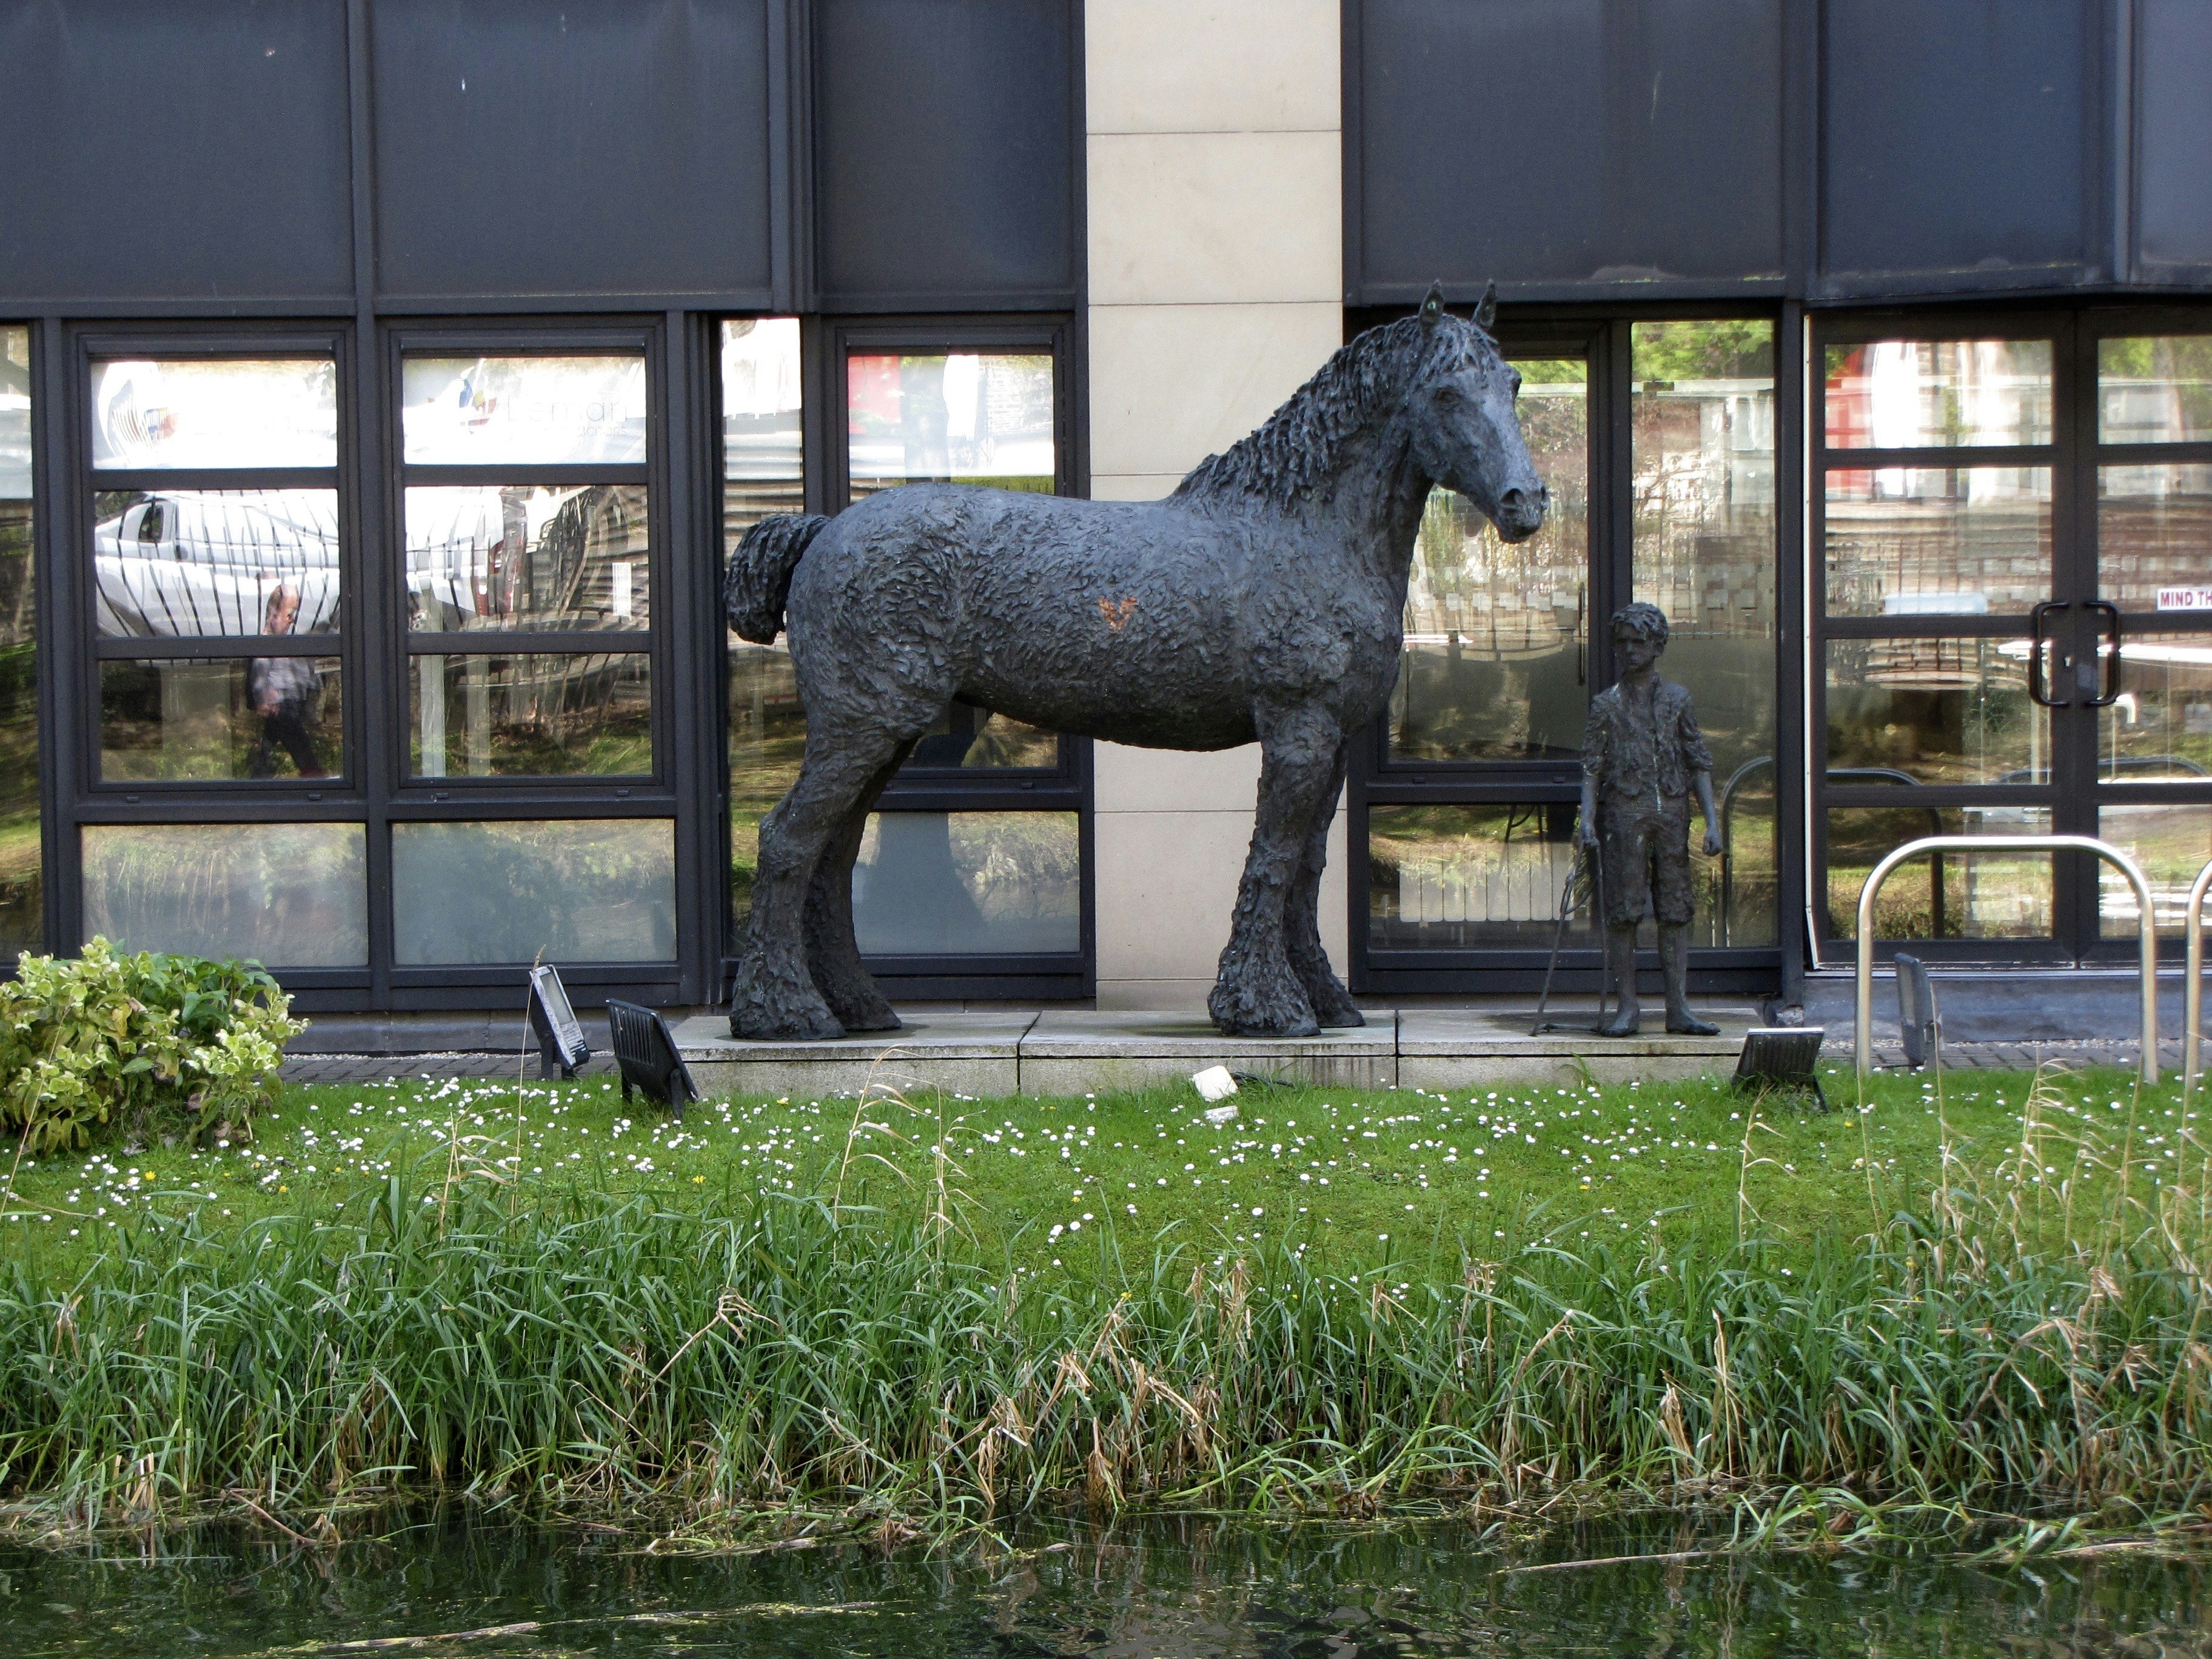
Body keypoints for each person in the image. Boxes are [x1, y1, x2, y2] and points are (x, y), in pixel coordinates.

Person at [1575, 602, 1721, 1037]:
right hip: (1623, 815)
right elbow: (1591, 766)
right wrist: (1586, 818)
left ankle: (1678, 1008)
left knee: (1676, 910)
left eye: (1639, 642)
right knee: (1624, 911)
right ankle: (1629, 1009)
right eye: (1622, 643)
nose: (1630, 650)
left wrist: (1712, 822)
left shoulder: (1679, 700)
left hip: (1673, 814)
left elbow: (1698, 761)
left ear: (1657, 646)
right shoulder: (1606, 705)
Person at [247, 583, 326, 779]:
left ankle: (259, 779)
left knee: (268, 750)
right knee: (299, 746)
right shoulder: (265, 644)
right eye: (289, 614)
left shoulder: (286, 643)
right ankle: (314, 776)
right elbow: (260, 673)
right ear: (274, 615)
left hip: (287, 706)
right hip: (281, 708)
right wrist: (264, 697)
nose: (292, 620)